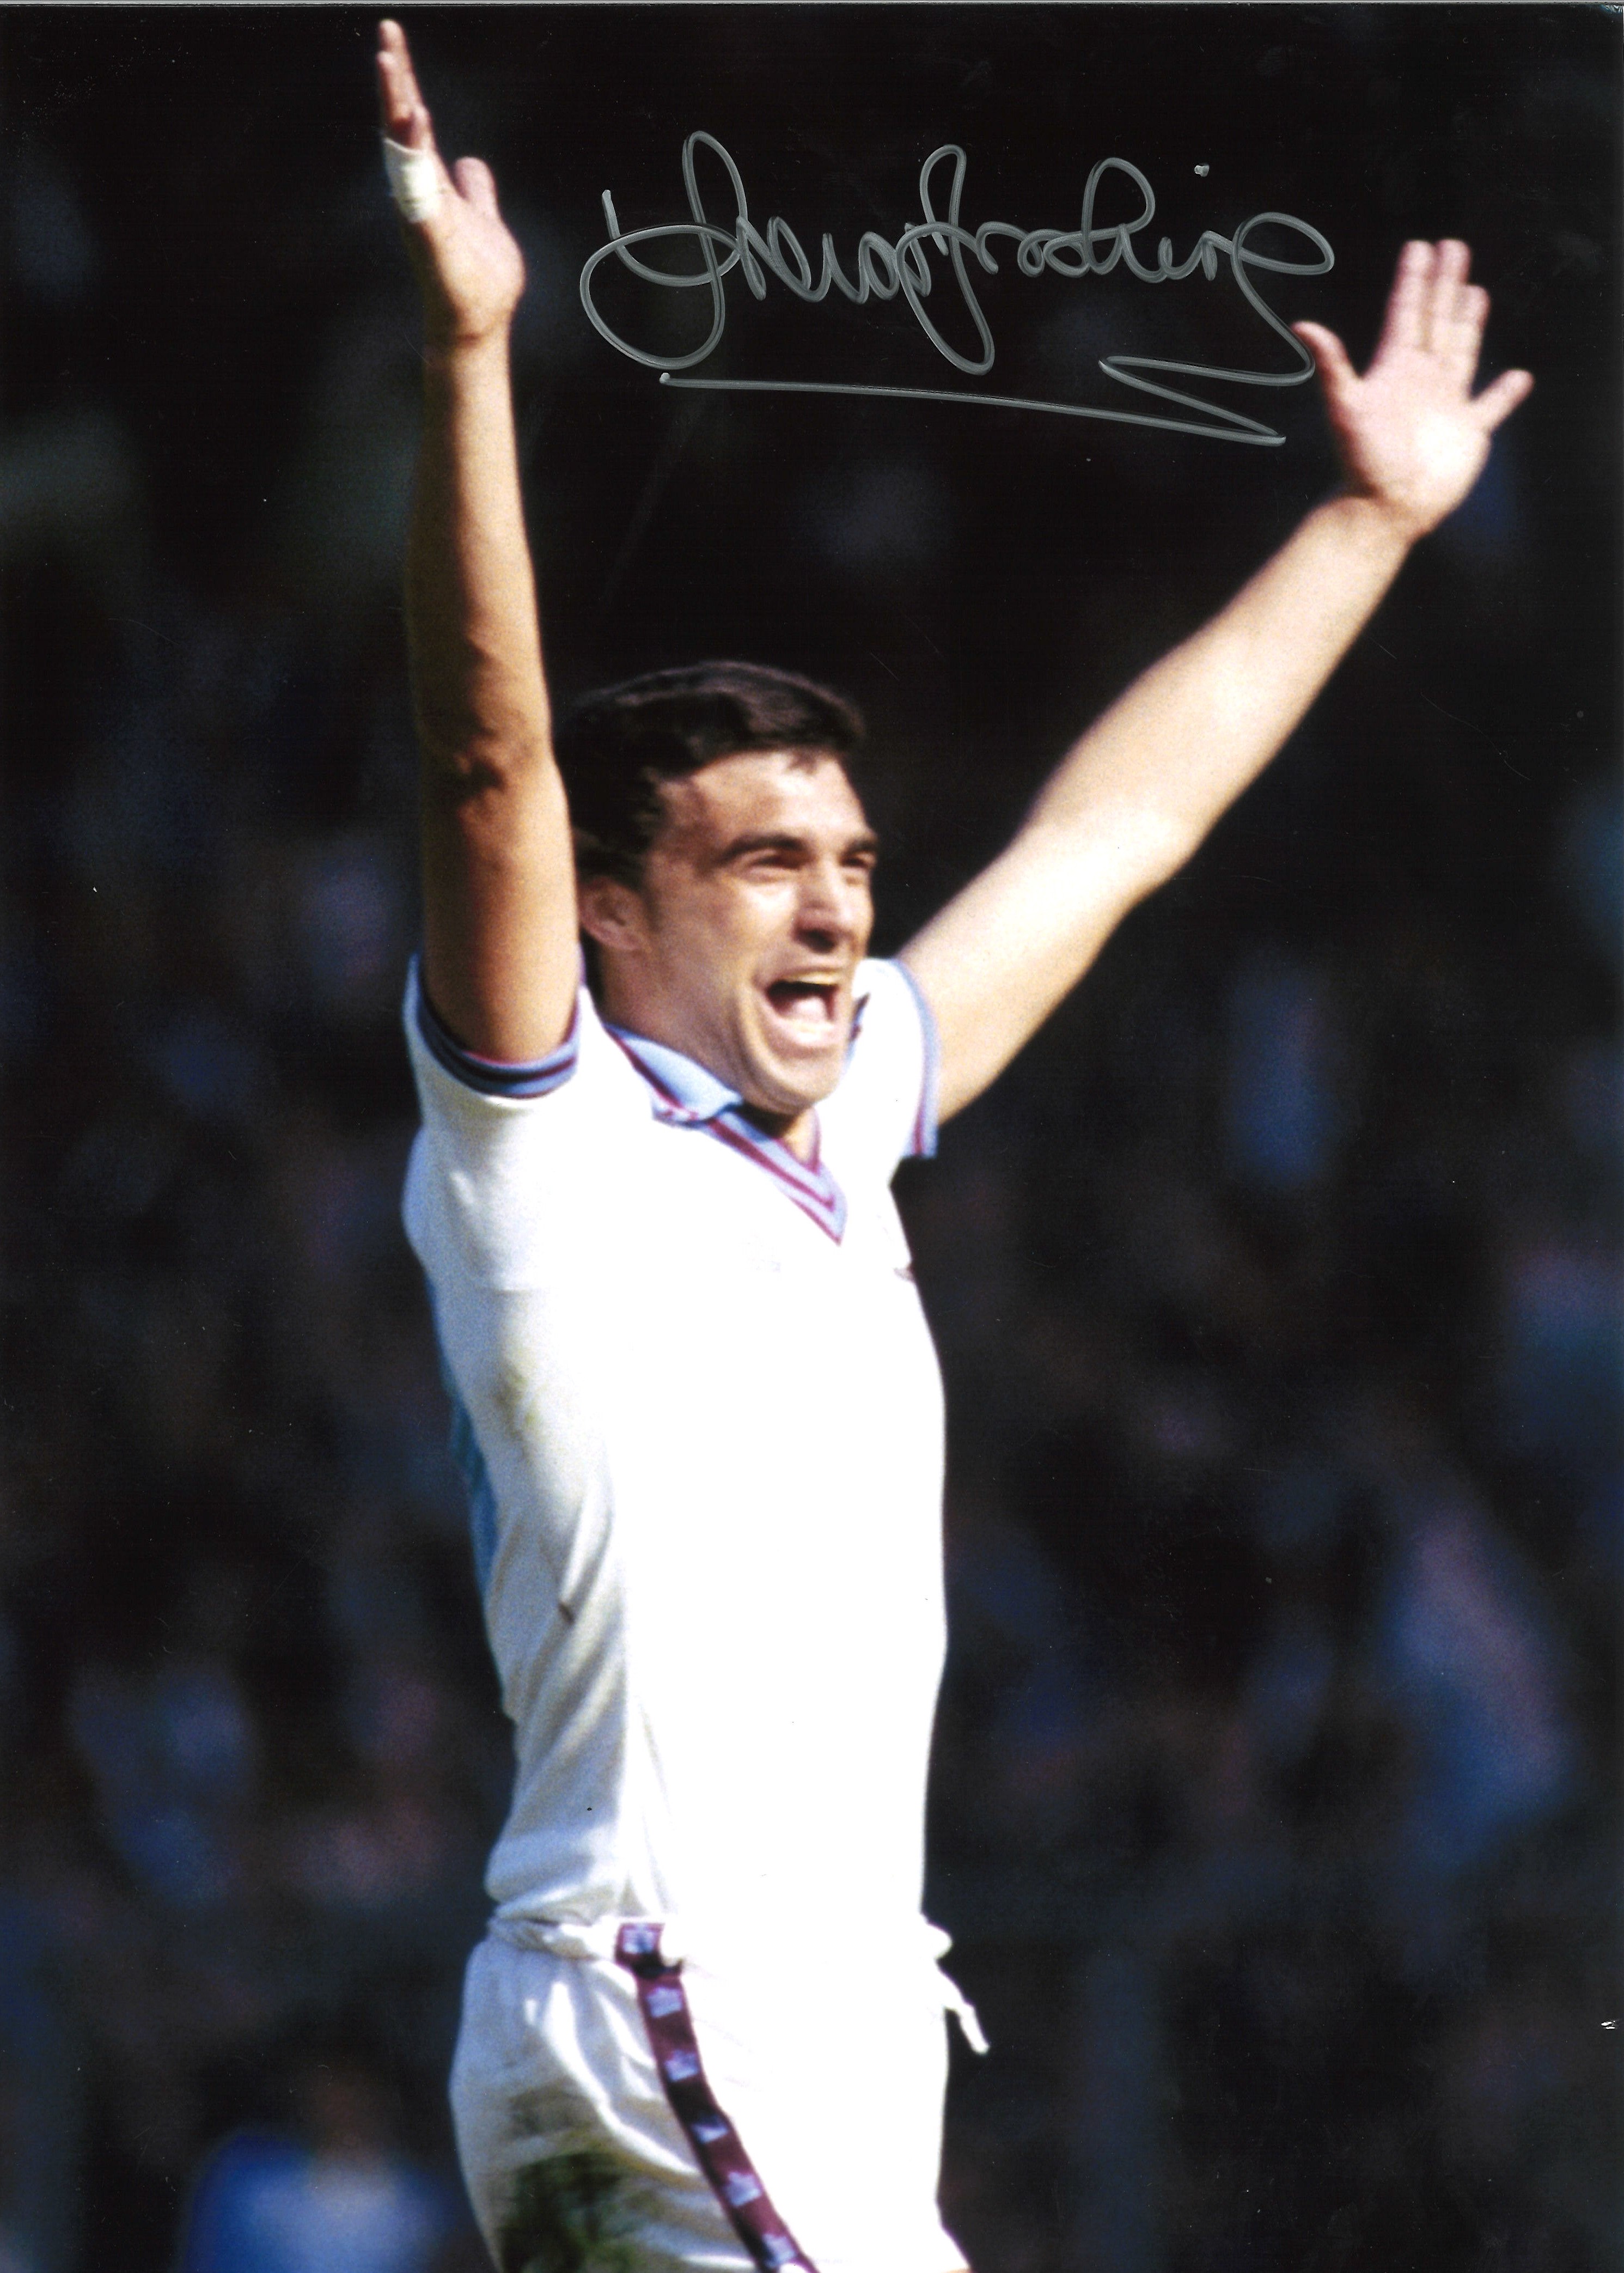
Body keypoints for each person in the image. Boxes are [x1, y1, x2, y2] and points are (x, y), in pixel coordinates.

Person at [374, 20, 1530, 2273]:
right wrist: (468, 355)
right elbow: (489, 762)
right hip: (674, 1991)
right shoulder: (561, 1144)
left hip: (812, 2019)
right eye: (760, 863)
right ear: (610, 915)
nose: (835, 902)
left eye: (850, 859)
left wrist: (1361, 521)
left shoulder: (843, 1130)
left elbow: (1118, 828)